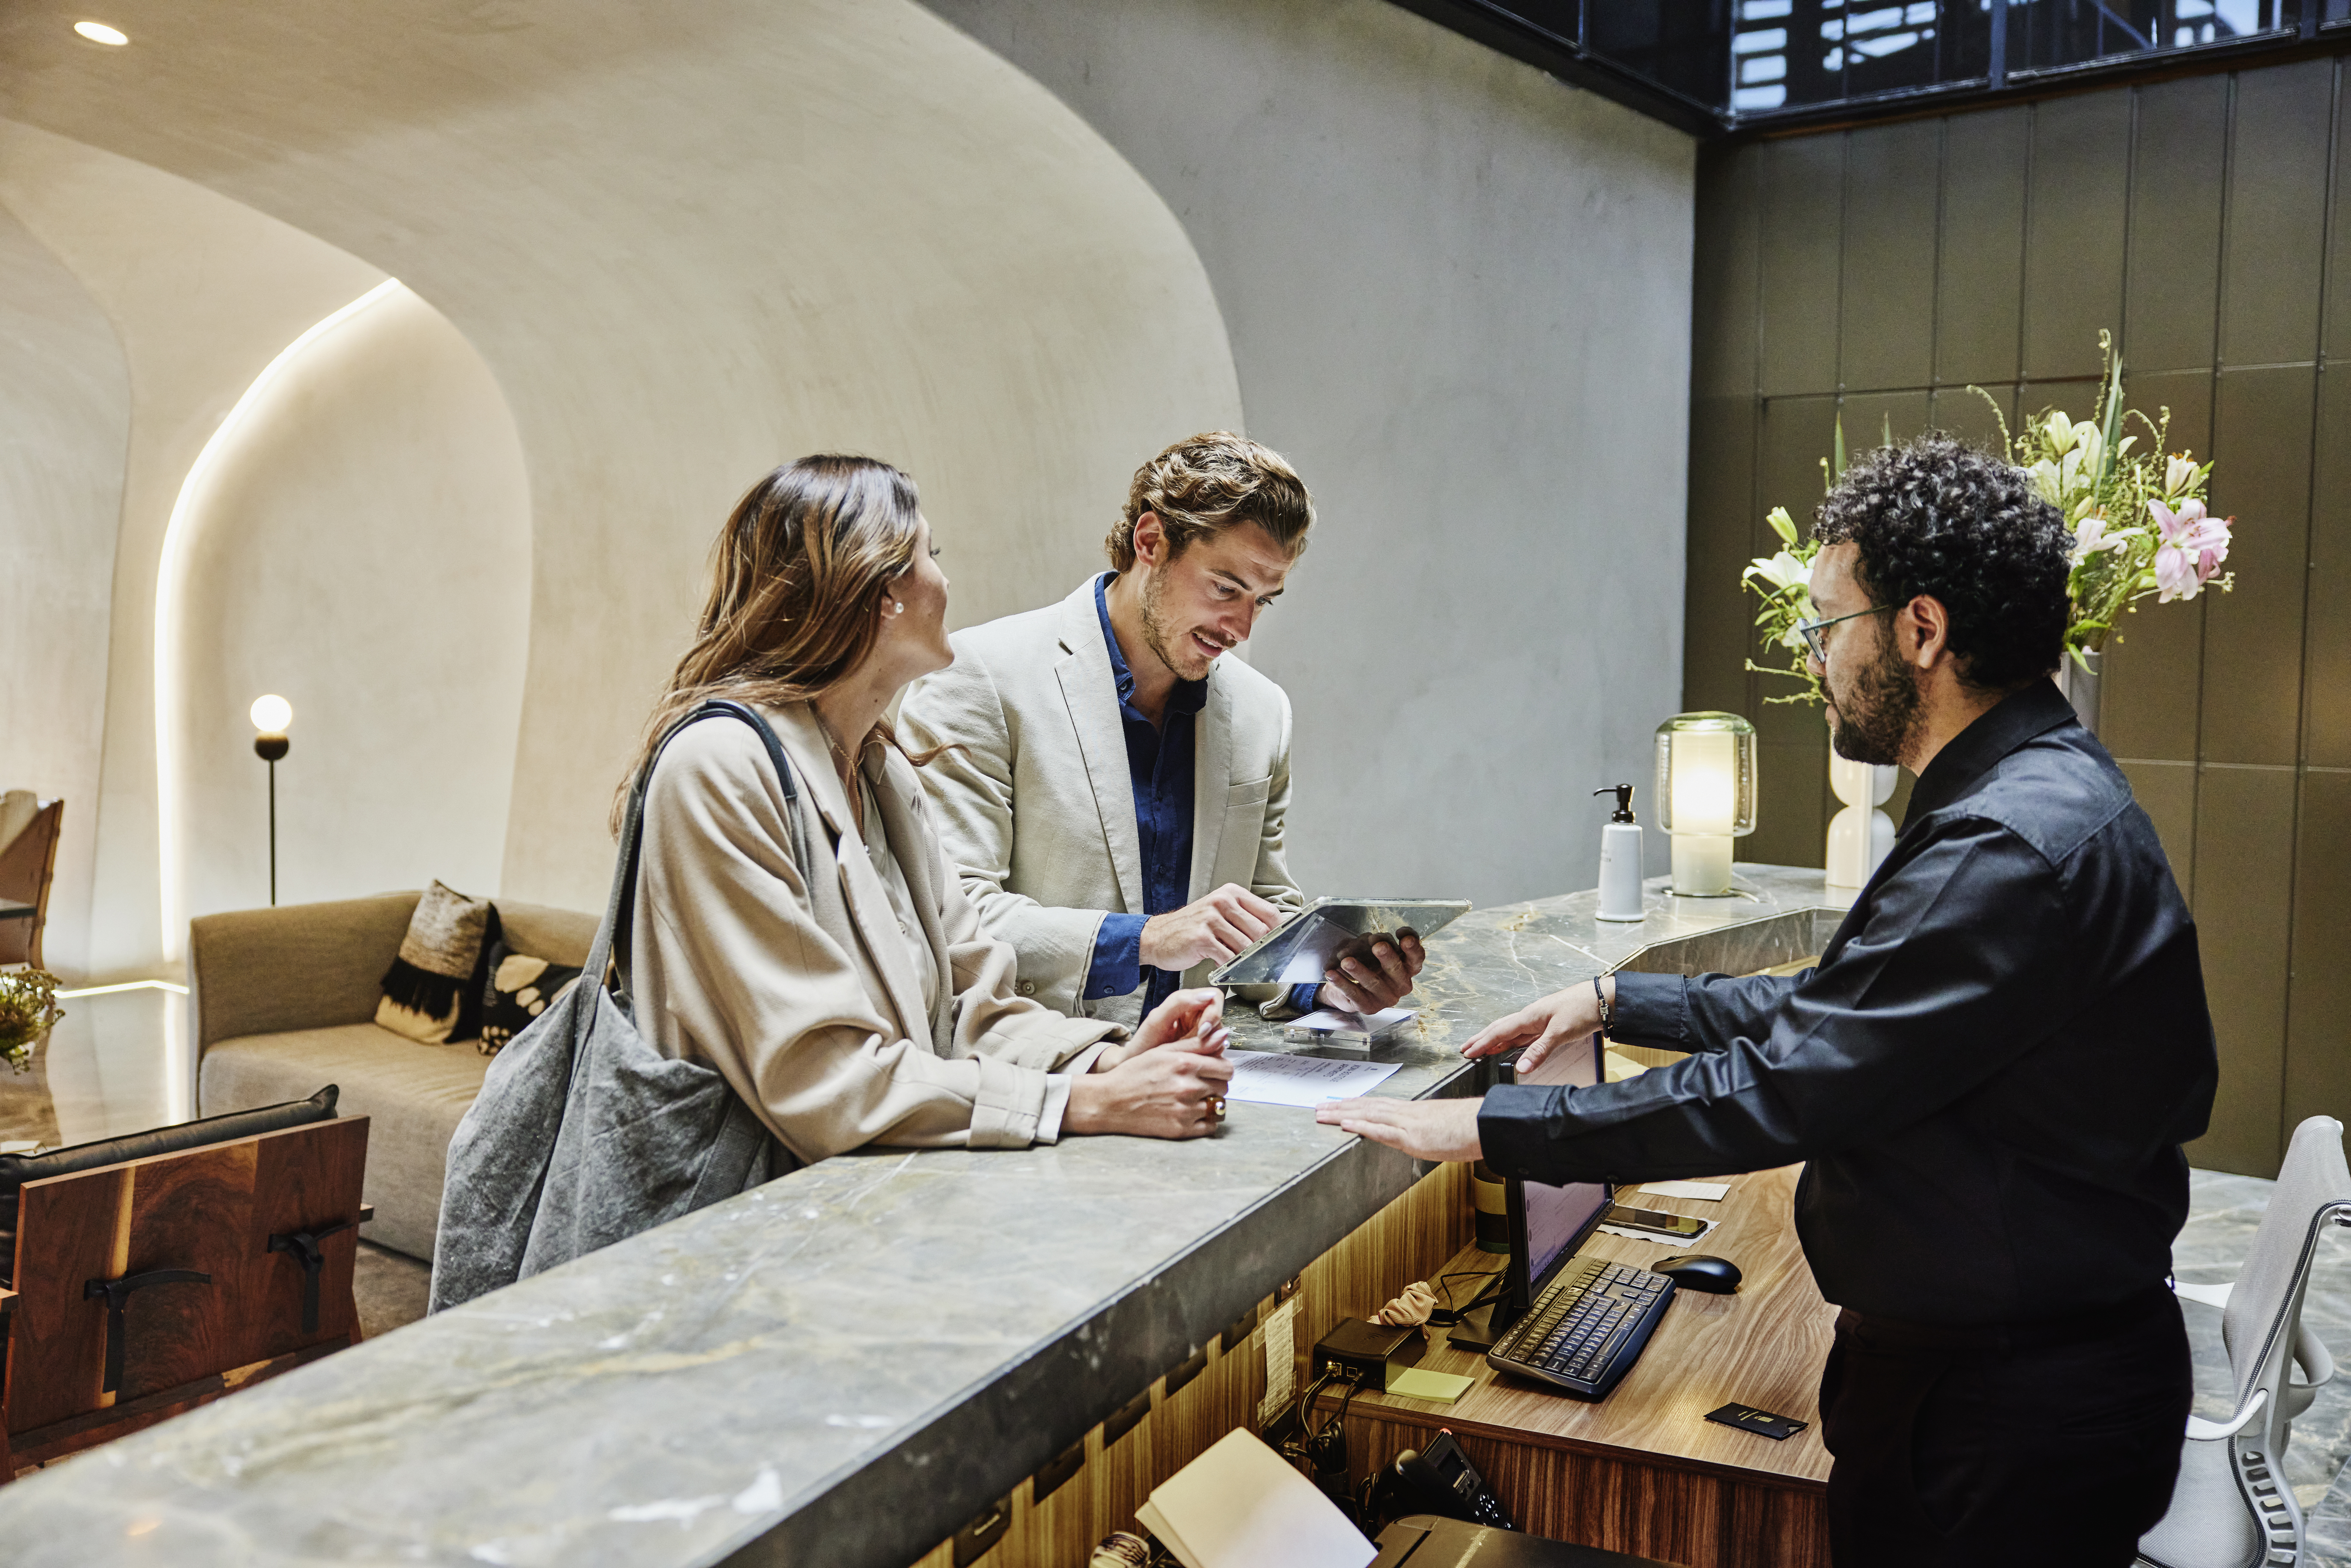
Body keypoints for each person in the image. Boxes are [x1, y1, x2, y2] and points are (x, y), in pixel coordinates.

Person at [1318, 435, 2218, 1566]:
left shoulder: (2002, 840)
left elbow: (1793, 1082)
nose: (1815, 663)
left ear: (1920, 629)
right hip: (2022, 1379)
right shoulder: (2032, 789)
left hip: (2002, 1414)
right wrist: (1616, 996)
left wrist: (1488, 1124)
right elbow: (1853, 1010)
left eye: (1825, 627)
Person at [623, 455, 1236, 1166]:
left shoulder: (885, 773)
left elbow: (971, 1003)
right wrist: (1087, 1104)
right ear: (875, 588)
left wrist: (1112, 1062)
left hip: (869, 1202)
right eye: (929, 555)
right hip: (741, 1222)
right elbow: (824, 1076)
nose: (945, 581)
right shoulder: (719, 767)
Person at [900, 431, 1423, 1028]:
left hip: (1208, 1078)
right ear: (1150, 541)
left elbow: (1262, 911)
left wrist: (1327, 983)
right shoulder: (981, 677)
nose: (1241, 628)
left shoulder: (1263, 713)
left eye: (1263, 600)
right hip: (1046, 1077)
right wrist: (1147, 939)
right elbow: (954, 919)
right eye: (1226, 588)